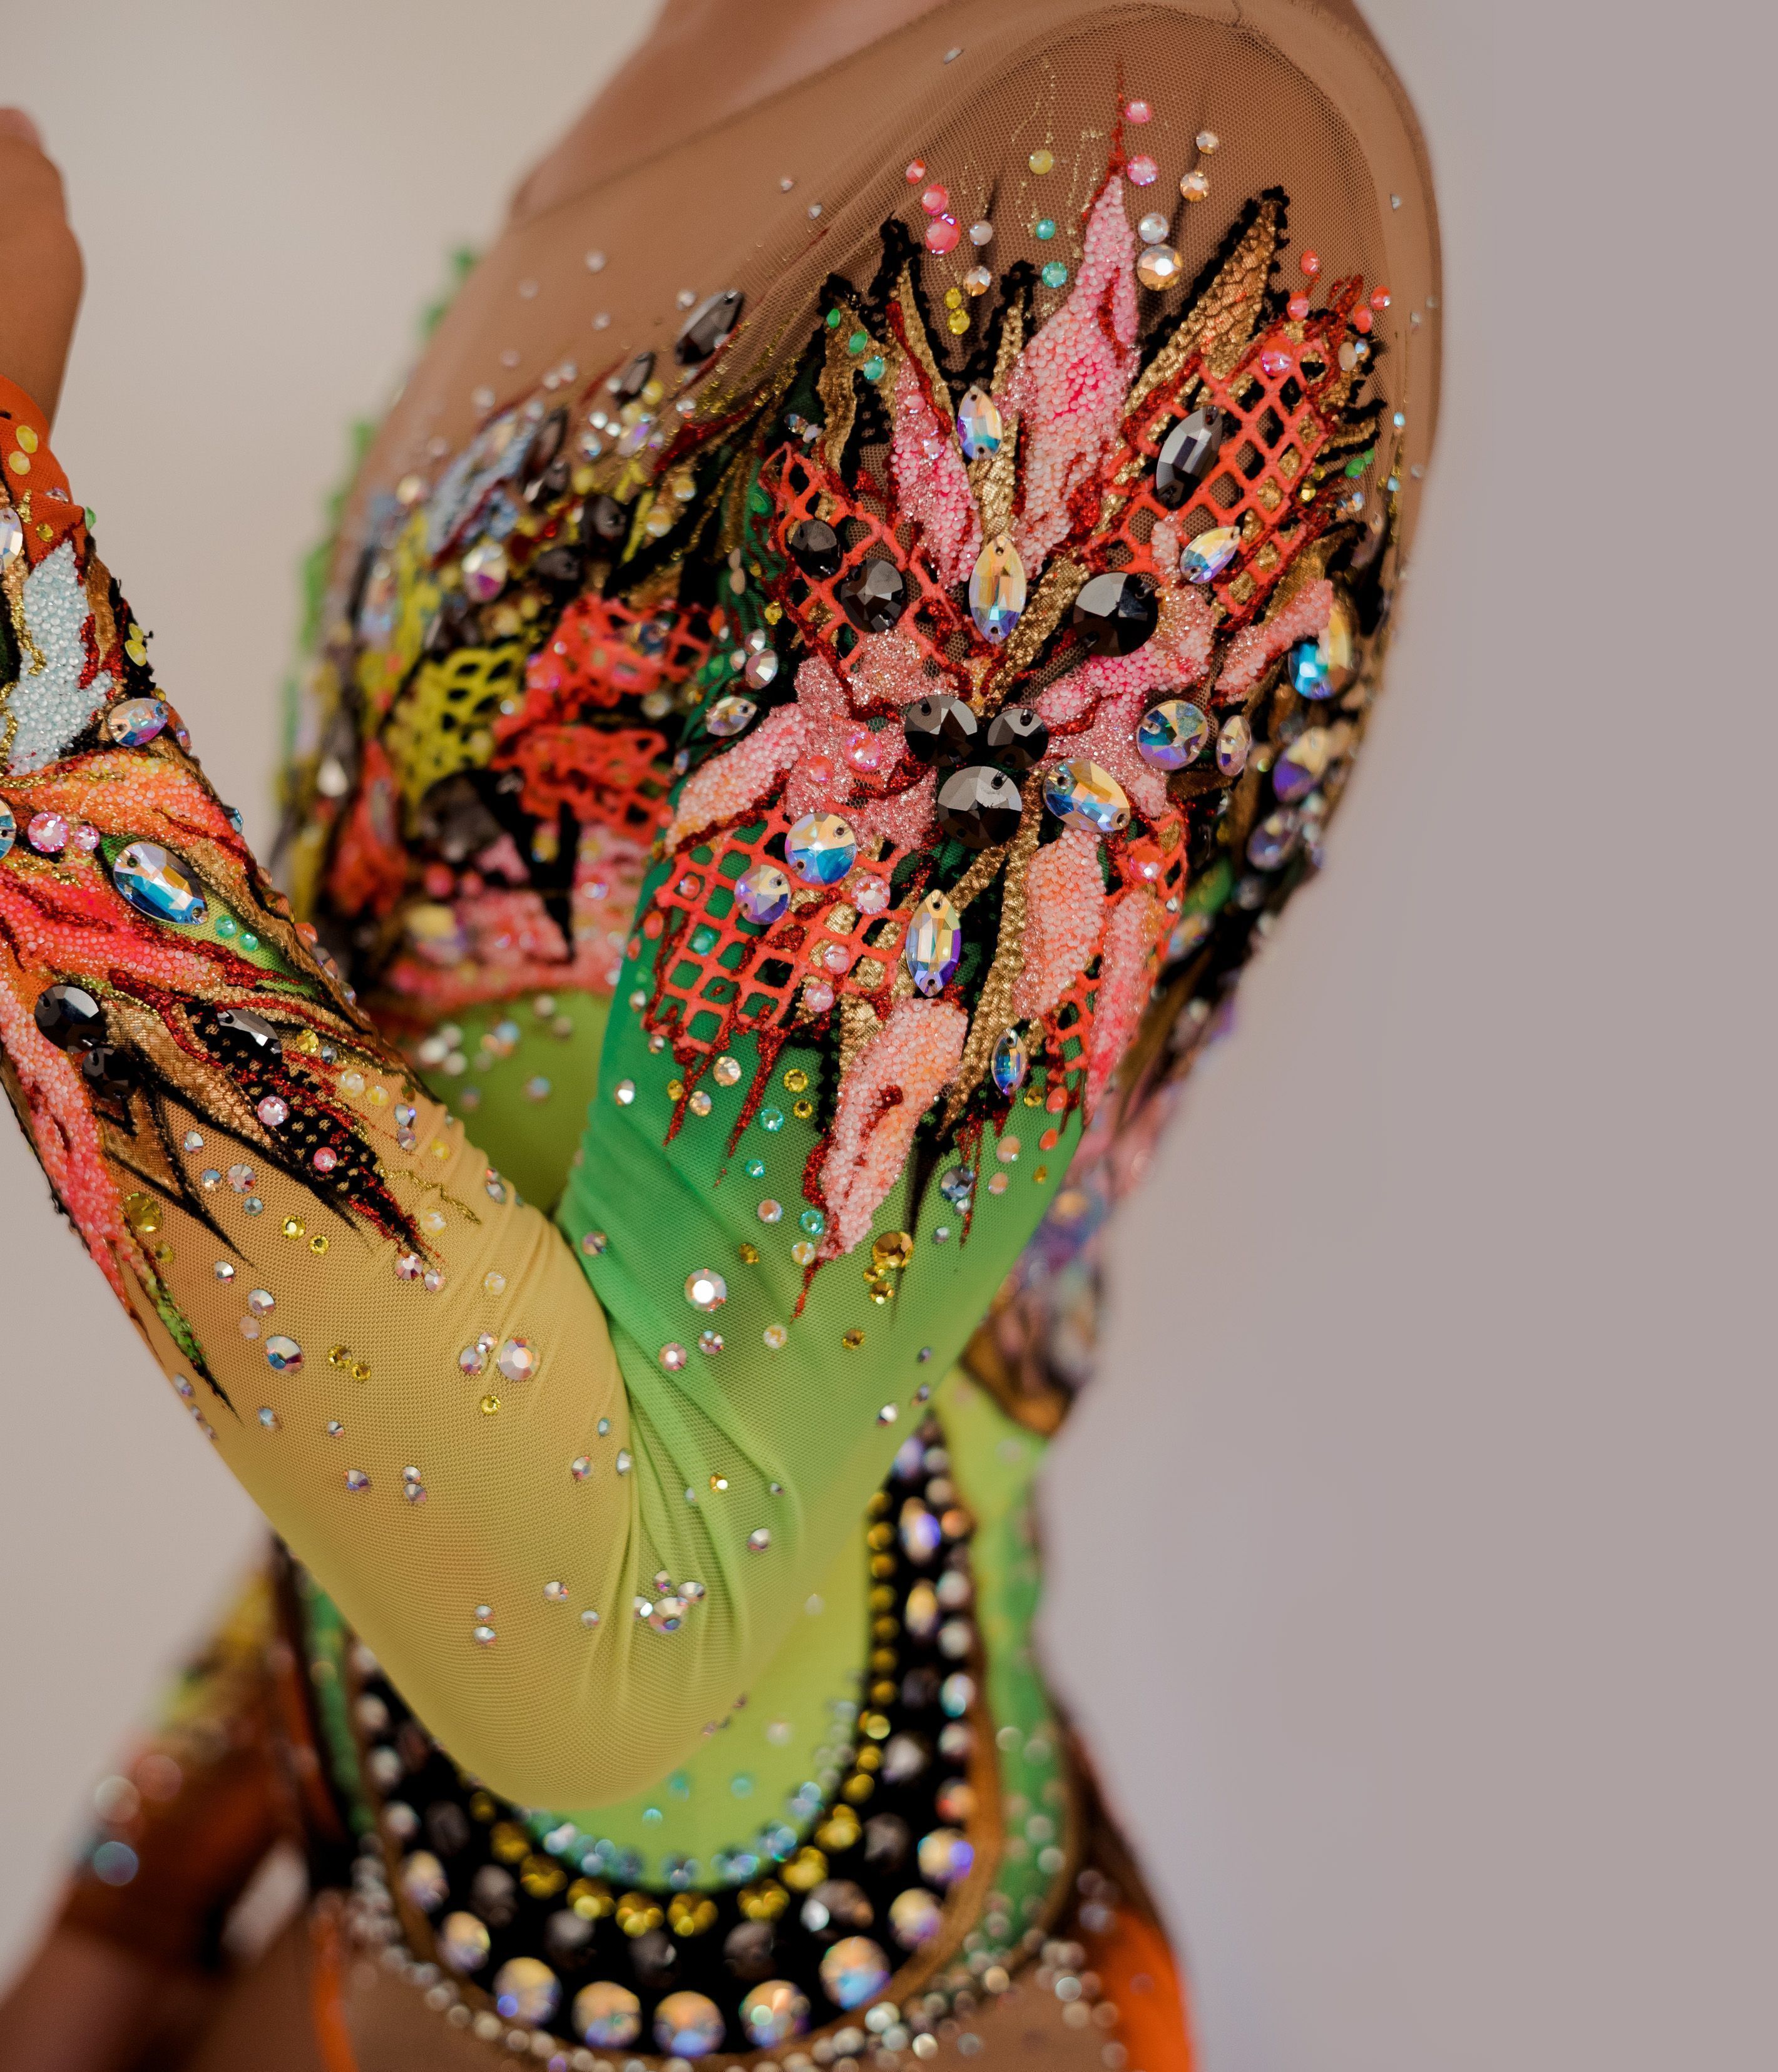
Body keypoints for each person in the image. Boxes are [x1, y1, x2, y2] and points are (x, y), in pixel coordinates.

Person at [0, 1, 1439, 2063]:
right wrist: (151, 1867)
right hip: (392, 1918)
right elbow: (474, 1143)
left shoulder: (1153, 132)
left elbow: (629, 1608)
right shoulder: (762, 37)